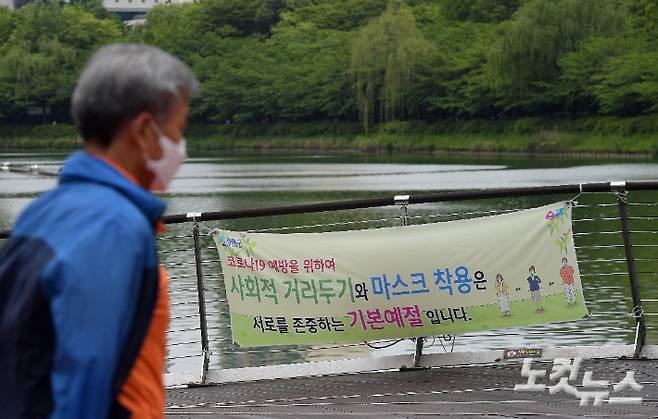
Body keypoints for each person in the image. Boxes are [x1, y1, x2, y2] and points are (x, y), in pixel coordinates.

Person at [0, 44, 198, 418]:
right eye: (179, 127)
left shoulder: (43, 211)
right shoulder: (113, 226)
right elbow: (85, 373)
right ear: (143, 130)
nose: (181, 146)